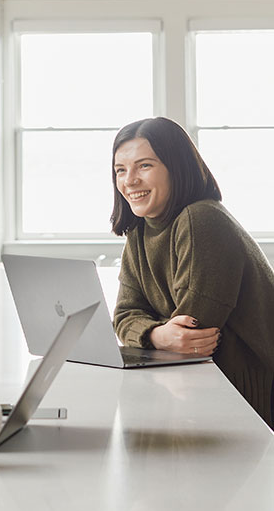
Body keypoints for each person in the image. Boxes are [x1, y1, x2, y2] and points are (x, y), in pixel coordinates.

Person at [111, 116, 274, 427]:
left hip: (247, 396)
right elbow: (124, 317)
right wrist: (158, 334)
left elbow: (193, 335)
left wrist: (152, 334)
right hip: (201, 386)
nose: (129, 180)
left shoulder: (202, 219)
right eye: (120, 169)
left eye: (144, 165)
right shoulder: (140, 230)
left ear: (177, 167)